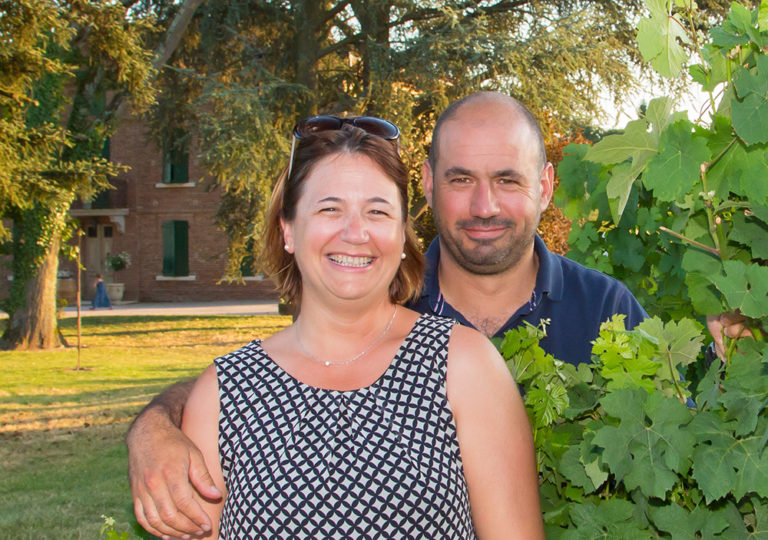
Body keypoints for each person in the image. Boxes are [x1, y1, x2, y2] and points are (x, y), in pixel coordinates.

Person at [124, 92, 644, 536]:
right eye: (329, 208)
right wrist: (154, 425)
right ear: (288, 228)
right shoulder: (229, 393)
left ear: (399, 234)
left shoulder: (567, 325)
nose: (355, 233)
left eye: (376, 211)